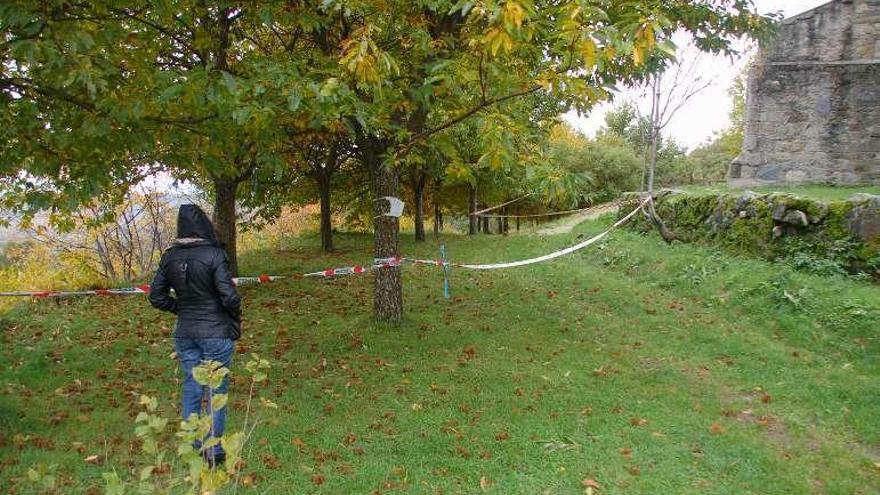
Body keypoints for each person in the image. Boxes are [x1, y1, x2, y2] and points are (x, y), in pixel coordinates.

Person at [149, 204, 241, 467]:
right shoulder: (214, 254)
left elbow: (156, 296)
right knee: (216, 389)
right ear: (204, 224)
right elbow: (229, 295)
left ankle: (192, 445)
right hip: (215, 332)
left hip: (185, 332)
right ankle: (213, 451)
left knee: (192, 385)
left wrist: (181, 308)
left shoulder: (170, 257)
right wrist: (232, 317)